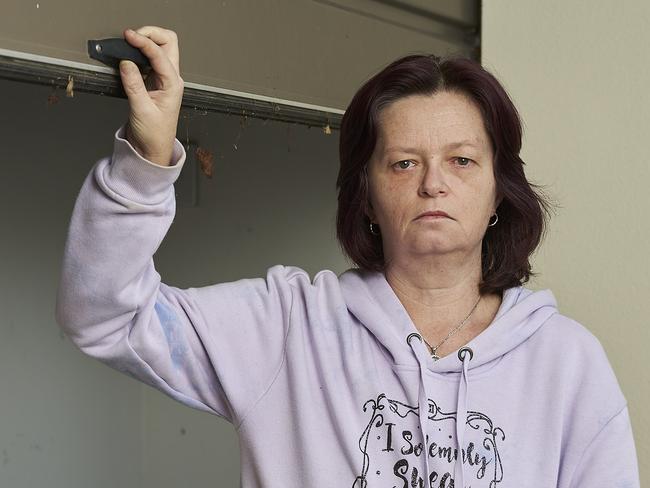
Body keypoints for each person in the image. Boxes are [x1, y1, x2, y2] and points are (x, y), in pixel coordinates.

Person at [55, 25, 640, 487]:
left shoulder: (567, 363)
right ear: (366, 195)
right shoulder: (288, 327)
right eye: (405, 162)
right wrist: (144, 164)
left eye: (462, 160)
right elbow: (105, 315)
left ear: (497, 192)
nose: (434, 184)